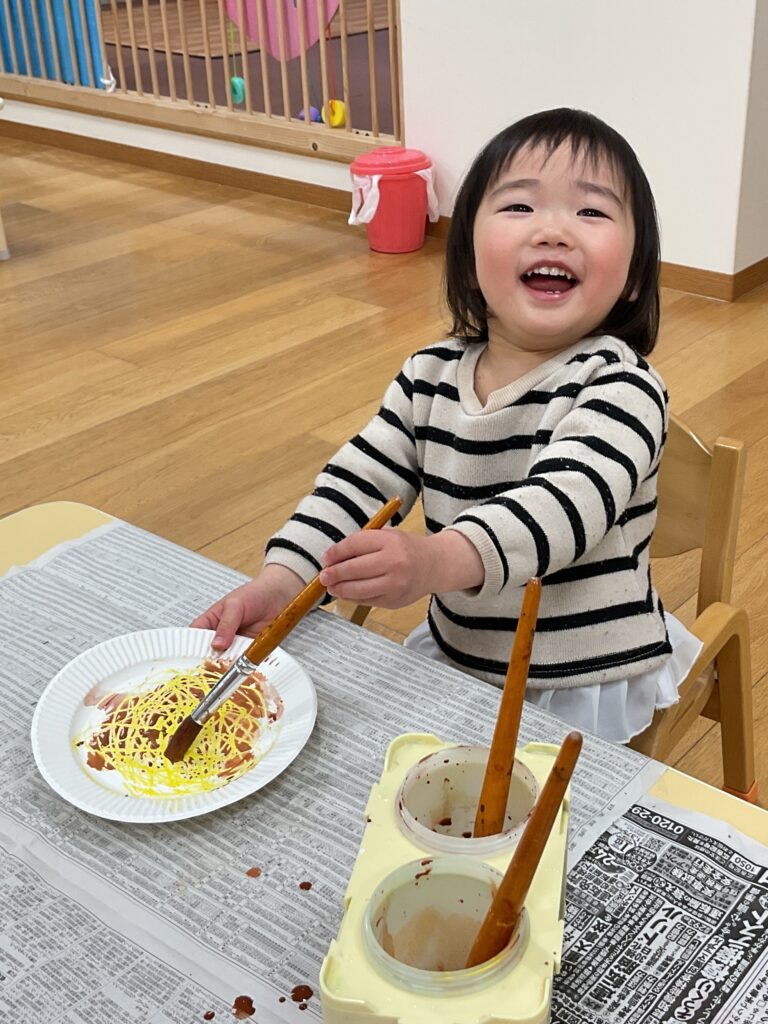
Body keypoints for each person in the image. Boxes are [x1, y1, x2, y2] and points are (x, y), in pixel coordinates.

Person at [192, 107, 702, 744]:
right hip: (462, 652)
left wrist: (435, 561)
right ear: (465, 256)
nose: (552, 230)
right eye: (519, 207)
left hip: (578, 675)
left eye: (592, 212)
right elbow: (356, 484)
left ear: (633, 277)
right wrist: (281, 580)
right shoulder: (429, 374)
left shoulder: (622, 385)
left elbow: (562, 507)